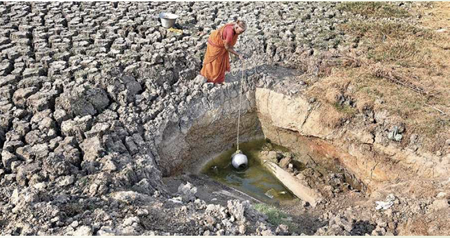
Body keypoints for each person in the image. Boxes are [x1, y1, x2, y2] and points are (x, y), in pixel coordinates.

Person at [200, 20, 246, 84]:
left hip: (221, 44)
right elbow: (227, 47)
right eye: (240, 32)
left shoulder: (234, 25)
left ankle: (218, 78)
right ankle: (210, 78)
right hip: (215, 44)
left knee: (221, 62)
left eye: (242, 32)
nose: (241, 33)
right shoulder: (230, 33)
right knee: (214, 63)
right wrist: (238, 55)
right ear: (236, 28)